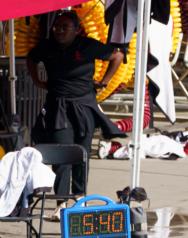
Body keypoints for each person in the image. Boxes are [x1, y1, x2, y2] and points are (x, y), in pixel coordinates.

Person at [26, 10, 125, 202]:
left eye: (65, 27)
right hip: (57, 107)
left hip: (84, 106)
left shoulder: (87, 45)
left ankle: (79, 197)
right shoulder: (47, 46)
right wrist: (37, 81)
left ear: (76, 30)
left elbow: (118, 57)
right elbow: (31, 58)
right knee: (61, 155)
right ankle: (62, 202)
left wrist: (104, 82)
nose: (59, 31)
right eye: (57, 27)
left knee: (82, 153)